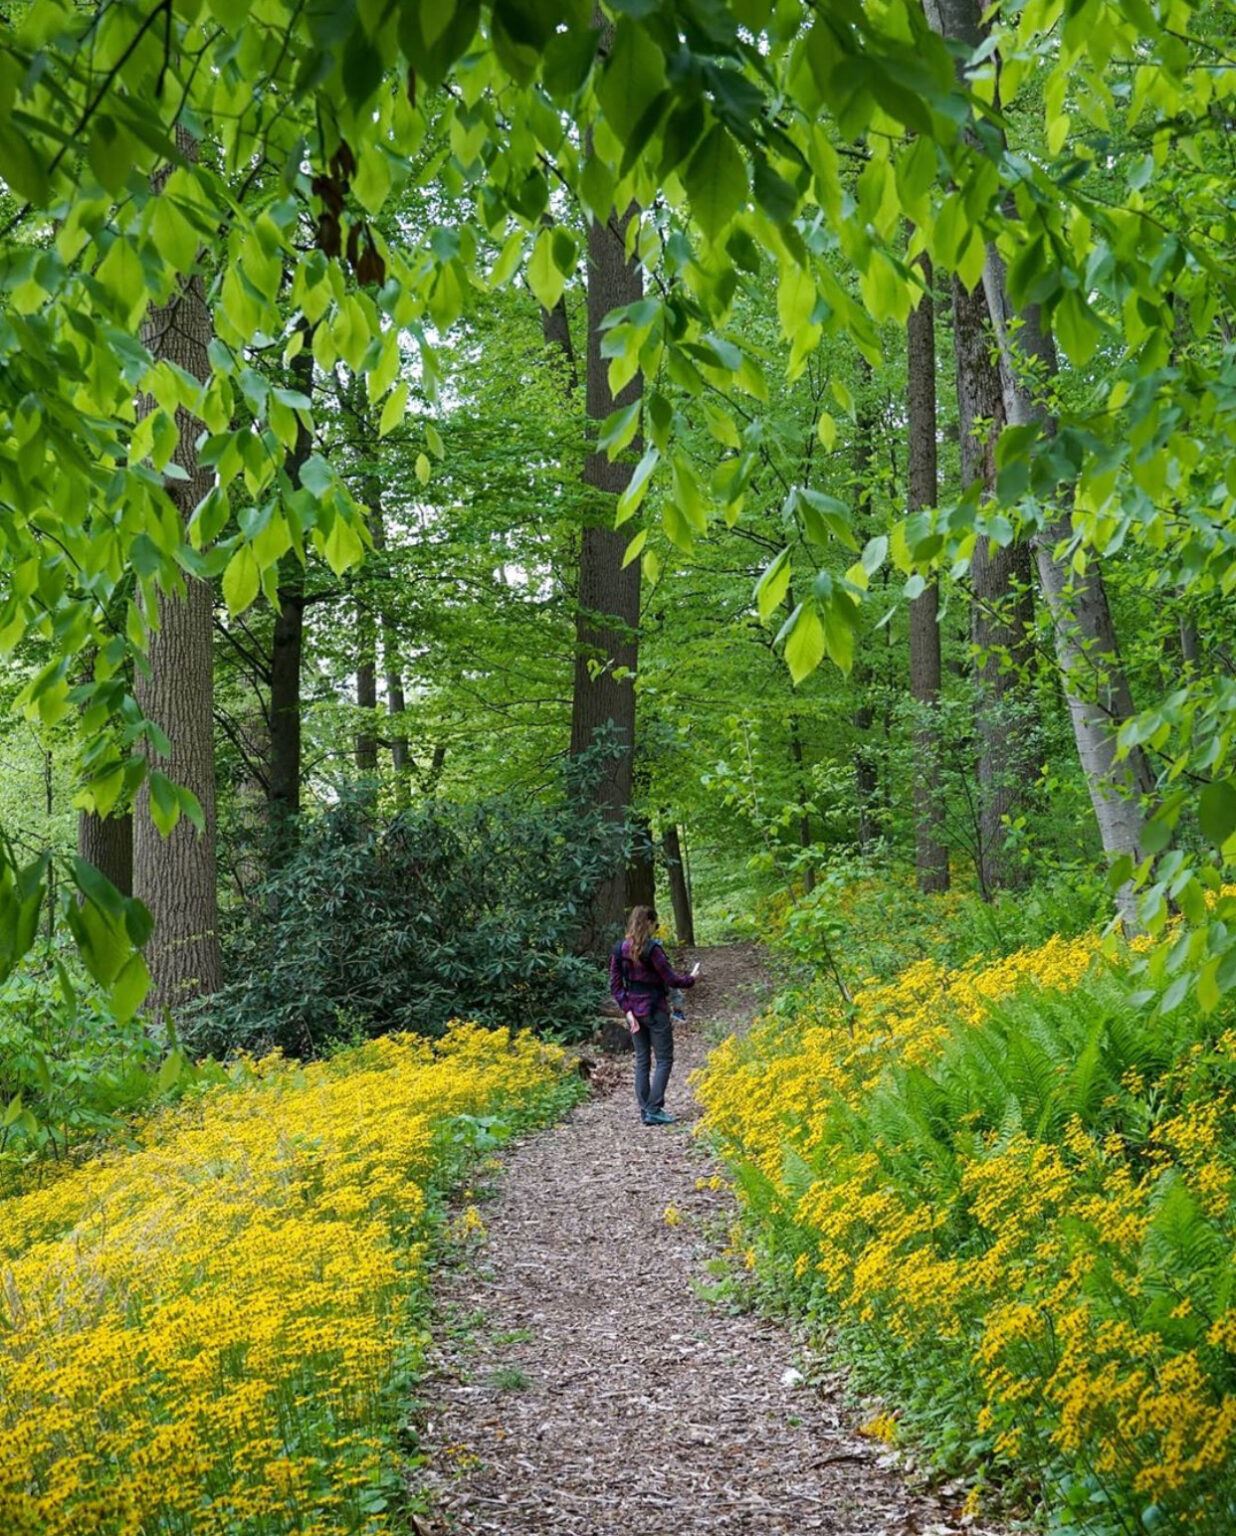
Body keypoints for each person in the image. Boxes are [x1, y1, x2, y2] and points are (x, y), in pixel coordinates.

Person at [609, 905, 700, 1126]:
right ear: (648, 923)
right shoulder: (653, 950)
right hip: (655, 1010)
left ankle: (645, 1110)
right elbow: (671, 980)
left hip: (634, 1011)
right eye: (655, 924)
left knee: (642, 1061)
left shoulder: (620, 949)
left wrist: (627, 1010)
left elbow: (615, 985)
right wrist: (692, 977)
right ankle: (654, 1108)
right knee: (664, 1059)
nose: (656, 928)